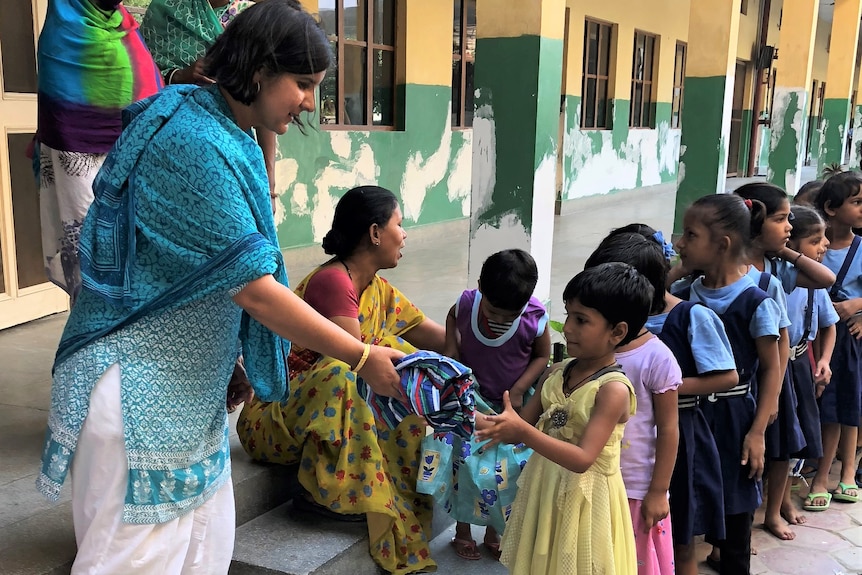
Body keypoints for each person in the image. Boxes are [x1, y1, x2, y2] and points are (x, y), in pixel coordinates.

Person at [35, 3, 407, 573]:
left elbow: (200, 272)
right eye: (302, 83)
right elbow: (253, 288)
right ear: (258, 71)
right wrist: (359, 356)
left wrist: (233, 355)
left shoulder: (223, 129)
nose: (310, 101)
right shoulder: (193, 142)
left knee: (204, 557)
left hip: (188, 397)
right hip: (140, 397)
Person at [237, 185, 446, 575]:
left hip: (316, 413)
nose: (405, 235)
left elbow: (444, 341)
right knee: (349, 367)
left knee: (402, 355)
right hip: (274, 417)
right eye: (399, 224)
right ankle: (323, 492)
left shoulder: (377, 289)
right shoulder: (333, 282)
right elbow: (358, 363)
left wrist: (490, 323)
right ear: (374, 233)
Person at [476, 262, 654, 575]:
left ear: (618, 332)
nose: (568, 327)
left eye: (581, 320)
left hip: (588, 502)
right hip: (545, 488)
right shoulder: (556, 374)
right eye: (569, 314)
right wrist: (465, 415)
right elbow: (519, 429)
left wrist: (521, 430)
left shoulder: (612, 390)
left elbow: (583, 458)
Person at [604, 227, 736, 575]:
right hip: (624, 445)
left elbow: (727, 375)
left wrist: (661, 389)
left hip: (678, 439)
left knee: (678, 535)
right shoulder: (610, 324)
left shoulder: (691, 316)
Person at [673, 194, 783, 575]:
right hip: (690, 418)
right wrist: (675, 271)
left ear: (723, 244)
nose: (680, 243)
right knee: (689, 502)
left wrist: (758, 432)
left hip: (735, 418)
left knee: (736, 514)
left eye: (690, 234)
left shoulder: (756, 301)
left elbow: (772, 368)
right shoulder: (684, 295)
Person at [418, 249, 550, 561]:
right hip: (471, 399)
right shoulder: (467, 303)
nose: (501, 319)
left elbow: (543, 356)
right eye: (494, 311)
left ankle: (495, 531)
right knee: (465, 466)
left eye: (509, 315)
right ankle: (461, 532)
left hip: (512, 408)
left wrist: (519, 389)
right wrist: (452, 348)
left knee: (509, 471)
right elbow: (452, 316)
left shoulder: (533, 317)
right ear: (480, 287)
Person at [36, 0, 163, 303]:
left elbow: (150, 95)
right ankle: (91, 335)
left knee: (137, 253)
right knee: (87, 249)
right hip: (75, 156)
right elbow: (61, 109)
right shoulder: (63, 30)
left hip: (133, 155)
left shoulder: (126, 28)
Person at [733, 182, 836, 541]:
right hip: (742, 375)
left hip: (779, 371)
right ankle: (736, 530)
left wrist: (787, 252)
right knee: (743, 454)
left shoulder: (778, 268)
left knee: (780, 449)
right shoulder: (731, 267)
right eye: (780, 218)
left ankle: (774, 511)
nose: (789, 226)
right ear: (753, 221)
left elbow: (826, 279)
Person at [584, 235, 680, 575]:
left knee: (630, 563)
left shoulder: (656, 357)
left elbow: (668, 429)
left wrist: (658, 491)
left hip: (635, 488)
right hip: (590, 482)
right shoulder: (587, 355)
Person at [140, 0, 279, 213]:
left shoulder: (253, 19)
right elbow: (142, 77)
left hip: (232, 152)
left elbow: (263, 104)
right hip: (168, 149)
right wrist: (180, 75)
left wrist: (268, 184)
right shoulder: (165, 9)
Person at [808, 172, 862, 510]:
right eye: (856, 202)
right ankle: (820, 476)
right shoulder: (815, 246)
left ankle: (848, 474)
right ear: (830, 208)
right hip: (817, 337)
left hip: (851, 338)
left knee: (850, 405)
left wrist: (858, 306)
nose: (861, 209)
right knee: (826, 408)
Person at [781, 206, 838, 512]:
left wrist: (824, 361)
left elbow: (829, 327)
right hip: (776, 368)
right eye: (816, 240)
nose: (825, 245)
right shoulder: (778, 282)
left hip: (801, 363)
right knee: (777, 438)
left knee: (797, 436)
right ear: (790, 246)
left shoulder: (815, 287)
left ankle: (783, 500)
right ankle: (770, 502)